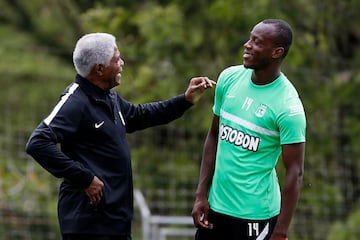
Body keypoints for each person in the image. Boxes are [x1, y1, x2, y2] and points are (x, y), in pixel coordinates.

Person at [25, 32, 215, 240]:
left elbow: (139, 115)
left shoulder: (108, 96)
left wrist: (185, 100)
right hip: (88, 224)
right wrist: (86, 178)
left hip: (115, 221)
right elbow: (37, 142)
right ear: (99, 68)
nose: (122, 63)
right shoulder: (75, 102)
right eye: (116, 59)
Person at [191, 19, 306, 240]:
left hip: (256, 217)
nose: (247, 45)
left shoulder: (288, 107)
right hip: (215, 209)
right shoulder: (229, 78)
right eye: (250, 38)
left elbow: (295, 172)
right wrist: (201, 195)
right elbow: (214, 134)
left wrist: (280, 232)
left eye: (257, 42)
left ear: (276, 52)